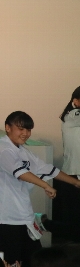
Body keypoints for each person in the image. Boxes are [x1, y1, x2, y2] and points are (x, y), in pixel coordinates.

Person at [0, 111, 80, 267]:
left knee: (33, 262)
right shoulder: (3, 149)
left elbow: (47, 168)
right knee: (13, 264)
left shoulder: (22, 150)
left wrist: (76, 182)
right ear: (7, 128)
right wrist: (45, 185)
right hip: (6, 216)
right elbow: (20, 173)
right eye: (21, 129)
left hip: (23, 215)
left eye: (28, 129)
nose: (25, 133)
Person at [37, 85, 80, 240]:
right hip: (72, 176)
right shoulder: (71, 116)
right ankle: (45, 224)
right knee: (74, 224)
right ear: (76, 101)